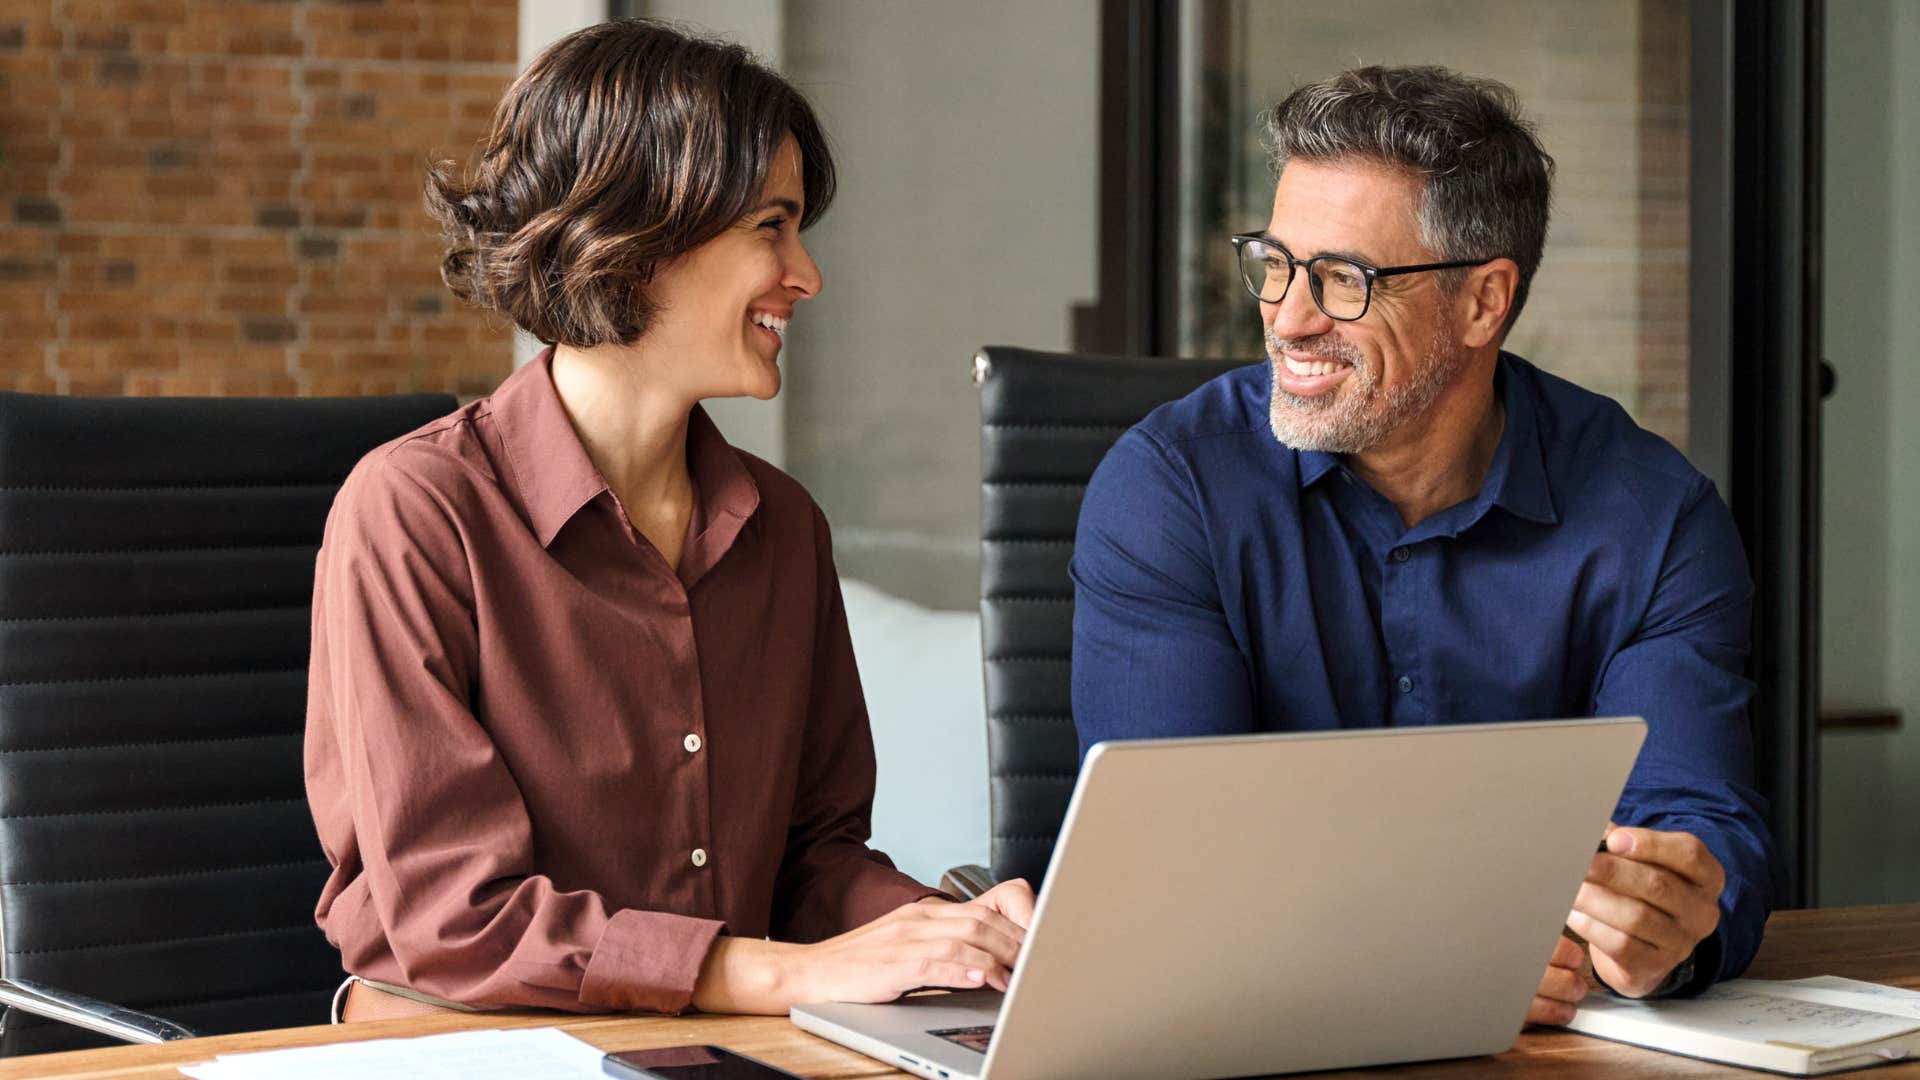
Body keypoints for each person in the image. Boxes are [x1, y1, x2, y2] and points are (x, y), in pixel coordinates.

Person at [304, 18, 1033, 1021]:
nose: (806, 274)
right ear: (641, 238)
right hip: (469, 1041)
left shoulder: (782, 528)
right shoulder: (416, 514)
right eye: (771, 227)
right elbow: (455, 916)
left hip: (709, 1042)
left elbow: (812, 862)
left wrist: (957, 936)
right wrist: (783, 974)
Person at [1070, 66, 1771, 1025]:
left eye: (1344, 279)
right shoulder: (1173, 487)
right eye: (1274, 262)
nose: (1288, 316)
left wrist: (1661, 933)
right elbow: (1158, 852)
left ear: (1486, 301)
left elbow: (1698, 825)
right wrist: (1430, 952)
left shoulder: (1656, 519)